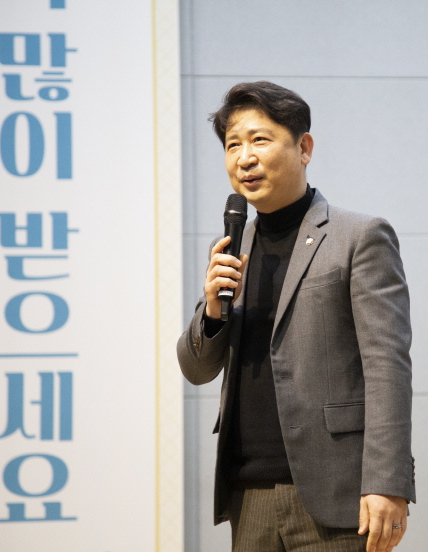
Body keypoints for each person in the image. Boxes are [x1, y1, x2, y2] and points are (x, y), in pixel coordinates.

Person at [177, 81, 415, 552]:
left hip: (337, 494)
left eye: (259, 140)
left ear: (304, 148)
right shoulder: (231, 248)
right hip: (249, 496)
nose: (244, 158)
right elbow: (197, 369)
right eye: (232, 145)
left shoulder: (358, 237)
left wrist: (388, 482)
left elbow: (388, 366)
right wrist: (213, 312)